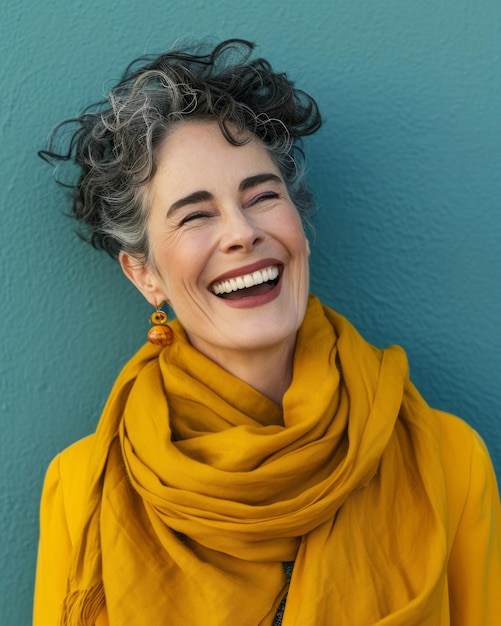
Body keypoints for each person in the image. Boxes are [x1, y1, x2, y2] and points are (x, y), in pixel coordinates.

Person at [34, 39, 501, 626]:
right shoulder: (83, 489)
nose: (242, 233)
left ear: (298, 225)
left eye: (262, 197)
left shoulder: (448, 461)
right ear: (145, 274)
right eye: (196, 214)